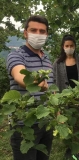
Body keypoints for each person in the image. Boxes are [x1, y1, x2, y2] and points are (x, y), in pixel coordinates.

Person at [6, 15, 54, 160]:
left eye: (42, 31)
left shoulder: (47, 59)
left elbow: (51, 88)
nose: (38, 34)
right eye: (34, 30)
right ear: (25, 33)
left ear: (46, 34)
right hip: (24, 126)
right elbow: (19, 76)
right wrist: (35, 82)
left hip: (46, 123)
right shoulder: (16, 55)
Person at [52, 34, 79, 160]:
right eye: (67, 46)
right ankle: (70, 147)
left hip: (77, 98)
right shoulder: (57, 63)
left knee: (77, 123)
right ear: (63, 47)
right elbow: (55, 84)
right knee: (65, 124)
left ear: (75, 46)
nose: (69, 48)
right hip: (64, 99)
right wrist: (56, 104)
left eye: (71, 45)